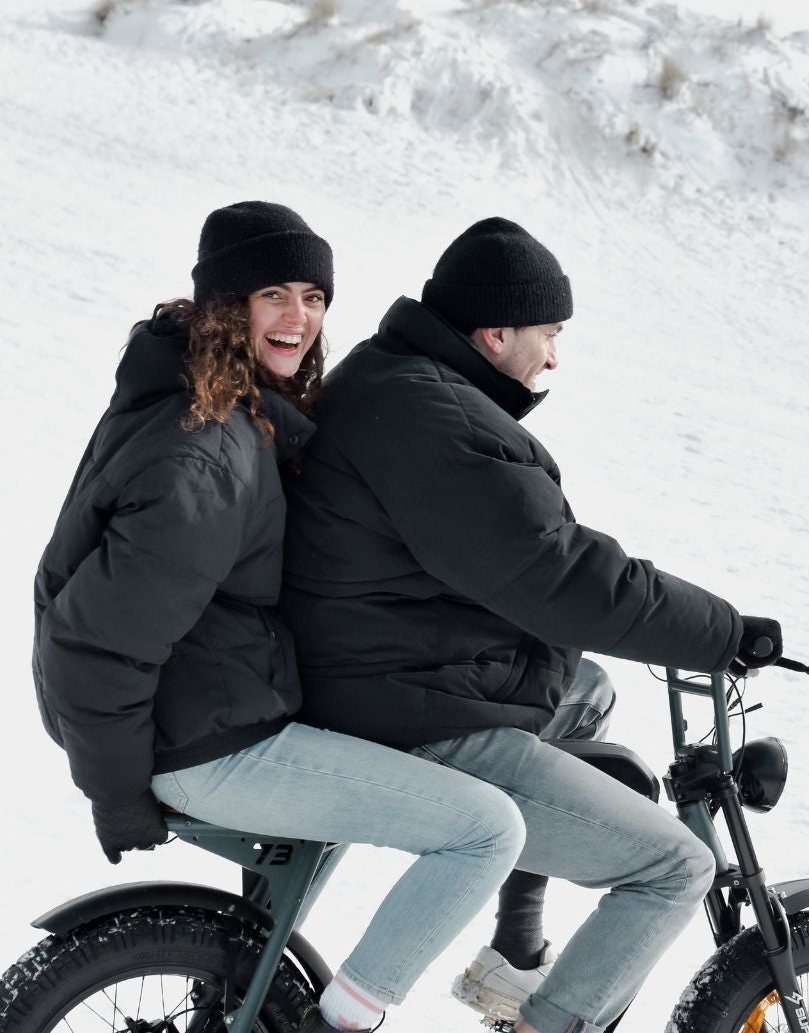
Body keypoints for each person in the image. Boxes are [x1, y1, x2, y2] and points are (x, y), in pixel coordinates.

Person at [31, 202, 530, 1033]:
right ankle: (337, 1024)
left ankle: (236, 1001)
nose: (300, 318)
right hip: (195, 740)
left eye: (315, 296)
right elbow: (95, 640)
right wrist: (116, 790)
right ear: (226, 307)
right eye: (274, 295)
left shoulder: (212, 403)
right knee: (485, 830)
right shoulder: (206, 449)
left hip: (207, 709)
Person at [281, 217, 785, 1033]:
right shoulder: (442, 423)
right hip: (406, 713)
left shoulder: (395, 378)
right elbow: (562, 578)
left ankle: (515, 953)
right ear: (494, 332)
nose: (553, 358)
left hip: (370, 665)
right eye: (549, 335)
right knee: (674, 866)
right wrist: (726, 632)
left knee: (584, 691)